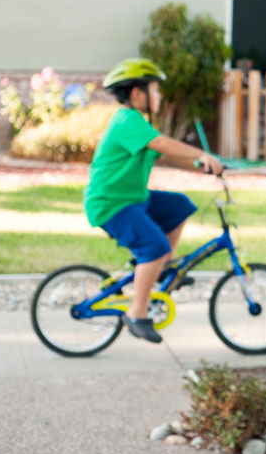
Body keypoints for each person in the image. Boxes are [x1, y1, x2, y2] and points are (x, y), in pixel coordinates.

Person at [83, 57, 223, 344]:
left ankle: (161, 270)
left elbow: (164, 155)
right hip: (111, 205)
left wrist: (204, 167)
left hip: (134, 199)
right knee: (154, 245)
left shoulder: (138, 124)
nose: (159, 96)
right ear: (137, 94)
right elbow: (161, 144)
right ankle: (137, 312)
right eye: (155, 90)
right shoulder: (127, 120)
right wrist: (200, 154)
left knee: (180, 205)